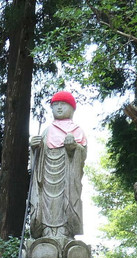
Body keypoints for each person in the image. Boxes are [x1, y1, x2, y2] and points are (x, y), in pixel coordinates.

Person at [28, 91, 87, 245]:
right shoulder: (47, 131)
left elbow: (82, 156)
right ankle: (45, 231)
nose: (59, 108)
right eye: (55, 105)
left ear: (72, 109)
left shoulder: (77, 130)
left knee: (64, 201)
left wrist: (73, 148)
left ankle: (65, 232)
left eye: (63, 104)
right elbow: (37, 159)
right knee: (45, 201)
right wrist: (35, 148)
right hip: (46, 179)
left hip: (67, 180)